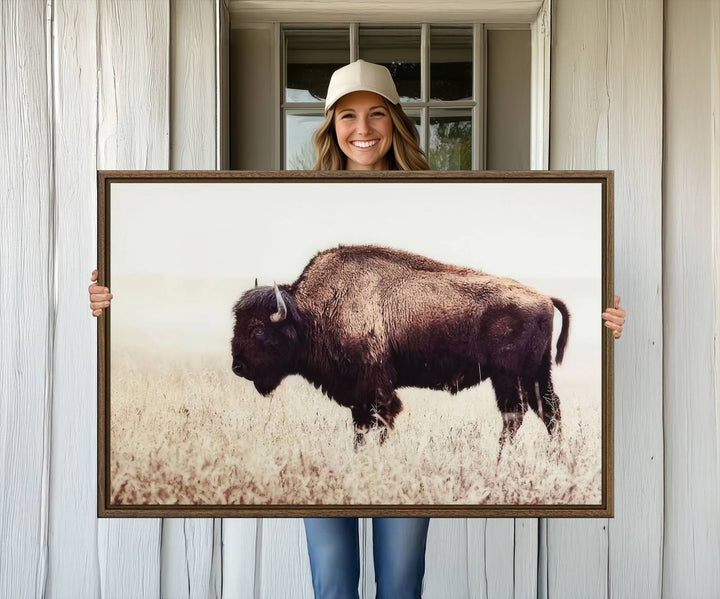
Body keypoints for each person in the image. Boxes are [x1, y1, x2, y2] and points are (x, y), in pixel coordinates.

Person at [88, 60, 626, 599]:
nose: (362, 130)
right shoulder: (293, 203)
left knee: (400, 581)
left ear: (395, 122)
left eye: (376, 115)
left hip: (455, 331)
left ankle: (407, 450)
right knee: (332, 581)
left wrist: (605, 319)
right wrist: (111, 301)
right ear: (330, 126)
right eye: (347, 116)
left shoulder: (439, 195)